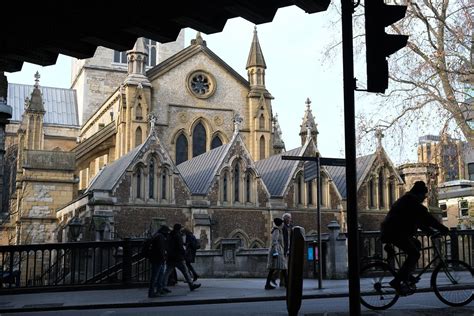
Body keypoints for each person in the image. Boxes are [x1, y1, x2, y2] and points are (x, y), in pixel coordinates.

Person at [380, 180, 449, 295]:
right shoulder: (412, 202)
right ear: (419, 194)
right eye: (424, 195)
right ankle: (397, 281)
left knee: (416, 244)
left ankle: (406, 274)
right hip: (394, 232)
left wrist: (430, 232)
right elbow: (427, 219)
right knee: (414, 254)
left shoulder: (408, 200)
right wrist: (443, 229)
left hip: (395, 231)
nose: (424, 198)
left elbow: (419, 222)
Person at [163, 223, 201, 291]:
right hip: (178, 258)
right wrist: (184, 253)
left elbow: (167, 246)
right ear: (179, 229)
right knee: (185, 272)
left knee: (167, 272)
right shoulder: (178, 236)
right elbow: (180, 247)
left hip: (170, 257)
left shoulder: (170, 235)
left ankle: (163, 286)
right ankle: (191, 285)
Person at [264, 218, 287, 290]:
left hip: (278, 250)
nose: (283, 224)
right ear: (280, 224)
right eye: (282, 223)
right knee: (283, 268)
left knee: (276, 268)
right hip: (277, 251)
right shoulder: (276, 230)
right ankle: (287, 284)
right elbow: (274, 241)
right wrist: (276, 252)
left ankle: (267, 284)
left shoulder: (278, 230)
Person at [147, 225, 170, 298]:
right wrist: (163, 258)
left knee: (160, 275)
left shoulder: (157, 235)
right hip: (158, 259)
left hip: (157, 259)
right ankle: (151, 292)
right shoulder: (160, 237)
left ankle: (159, 290)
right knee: (155, 277)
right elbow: (160, 250)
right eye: (167, 232)